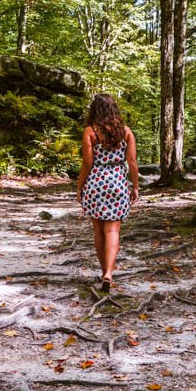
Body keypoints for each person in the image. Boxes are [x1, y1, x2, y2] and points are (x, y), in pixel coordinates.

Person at [76, 94, 140, 292]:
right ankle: (109, 274)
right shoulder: (126, 132)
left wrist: (79, 187)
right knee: (112, 231)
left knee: (99, 232)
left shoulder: (91, 132)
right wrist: (135, 186)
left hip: (95, 184)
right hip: (119, 184)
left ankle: (104, 270)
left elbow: (87, 163)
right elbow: (132, 163)